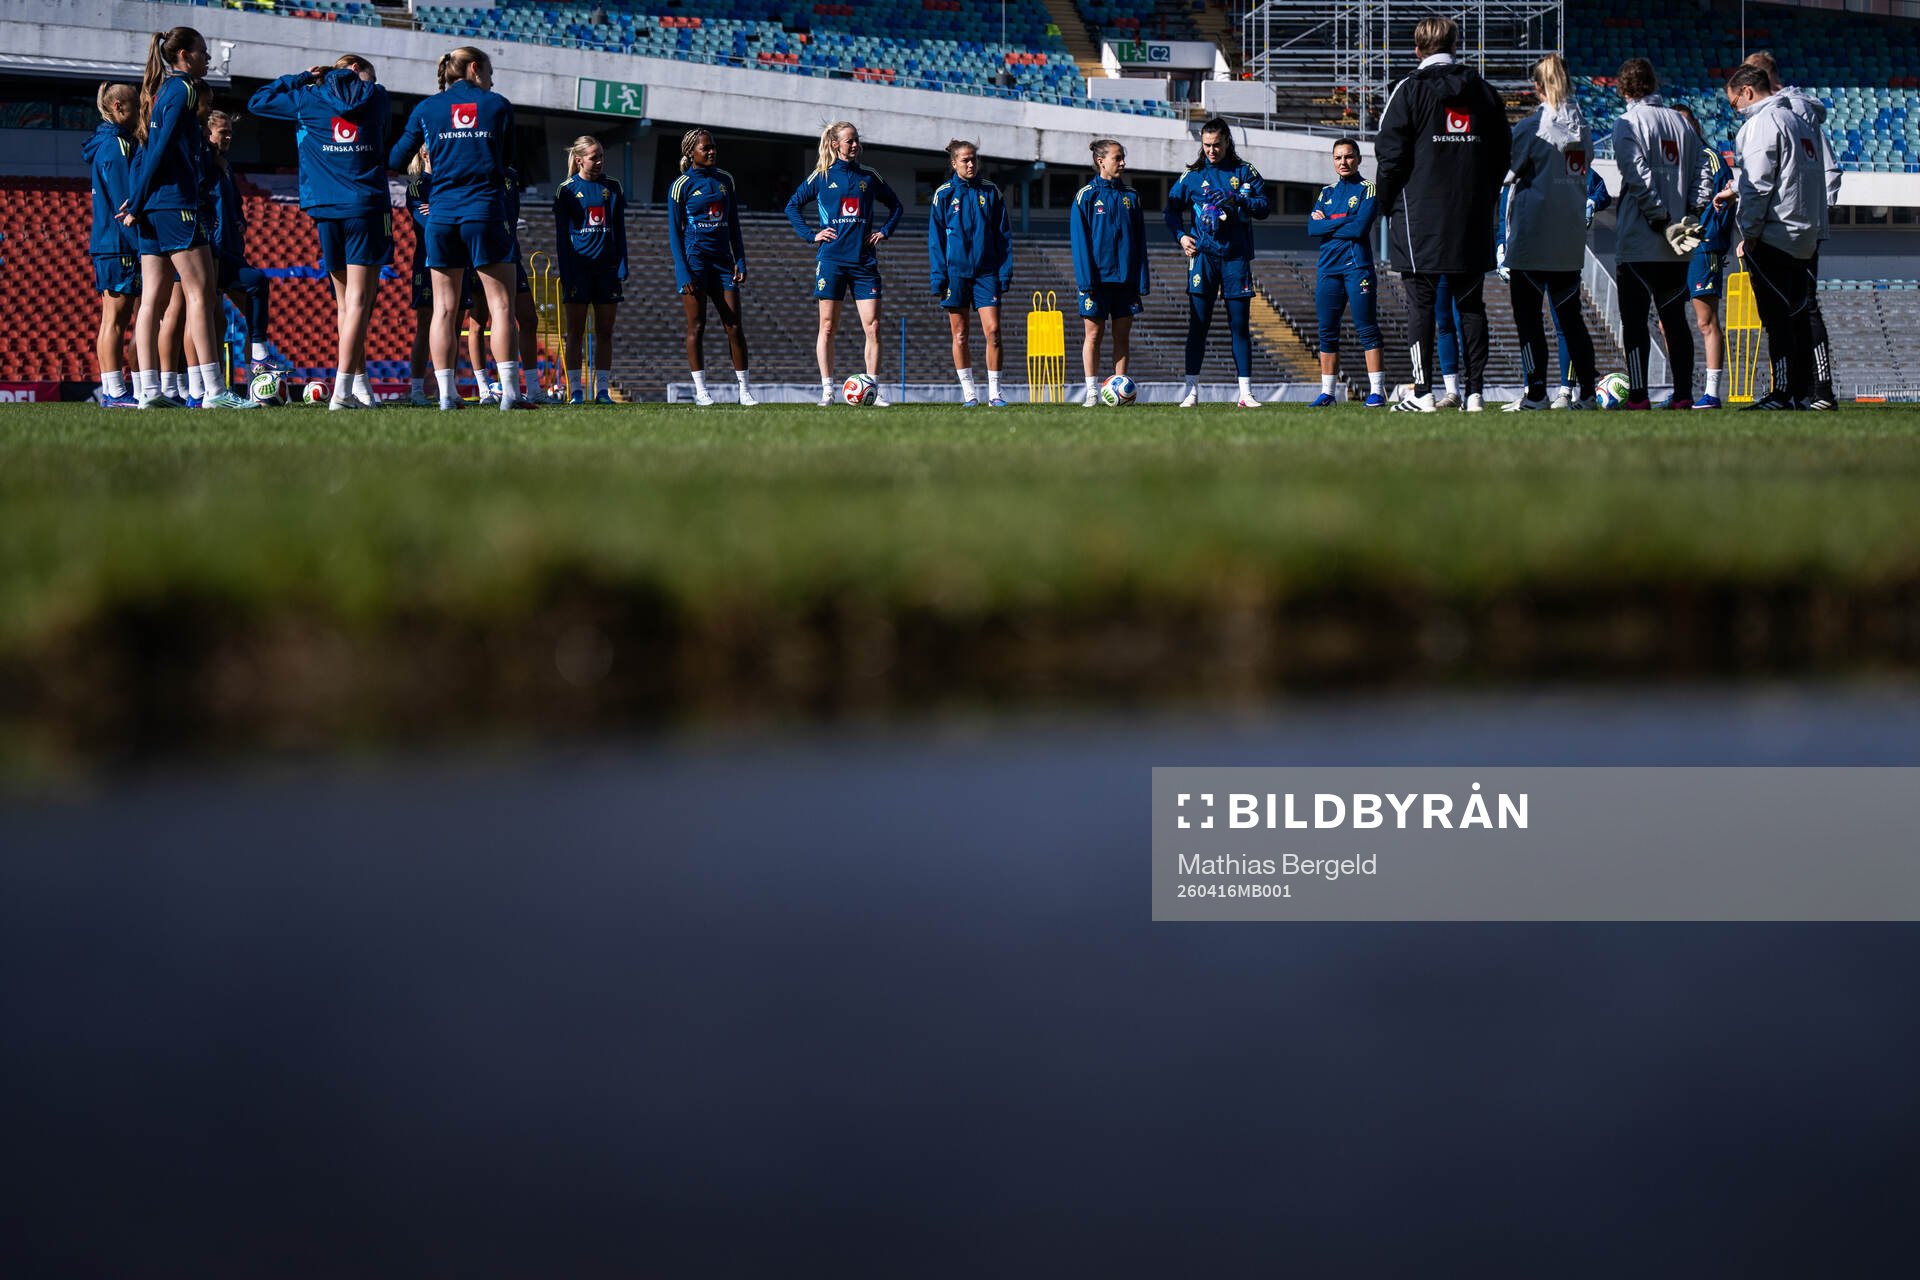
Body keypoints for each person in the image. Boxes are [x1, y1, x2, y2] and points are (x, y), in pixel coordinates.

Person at [1373, 16, 1510, 413]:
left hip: (1419, 218)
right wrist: (1483, 193)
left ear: (1417, 50)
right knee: (1471, 306)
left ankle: (1423, 392)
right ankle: (1475, 394)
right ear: (1455, 45)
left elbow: (1390, 157)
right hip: (1471, 215)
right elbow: (1503, 153)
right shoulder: (1483, 92)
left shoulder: (1408, 91)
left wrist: (1384, 203)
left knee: (1421, 306)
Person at [388, 46, 533, 410]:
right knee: (500, 307)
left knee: (443, 311)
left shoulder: (426, 108)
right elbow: (509, 158)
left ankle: (447, 396)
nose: (492, 78)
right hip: (484, 211)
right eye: (489, 70)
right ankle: (510, 395)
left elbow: (394, 159)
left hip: (441, 216)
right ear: (474, 68)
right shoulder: (497, 104)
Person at [119, 27, 255, 409]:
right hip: (174, 205)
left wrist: (137, 200)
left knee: (152, 301)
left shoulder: (160, 90)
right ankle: (214, 392)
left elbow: (150, 149)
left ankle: (149, 391)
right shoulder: (185, 90)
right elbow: (160, 149)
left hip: (154, 206)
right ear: (182, 55)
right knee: (201, 294)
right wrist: (139, 200)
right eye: (202, 51)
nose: (207, 58)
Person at [248, 54, 389, 409]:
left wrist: (300, 78)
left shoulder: (307, 98)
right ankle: (342, 392)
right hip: (365, 206)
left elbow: (257, 100)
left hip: (325, 207)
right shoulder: (378, 96)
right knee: (359, 303)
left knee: (346, 304)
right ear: (357, 72)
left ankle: (360, 387)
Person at [1720, 64, 1828, 410]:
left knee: (1776, 318)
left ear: (1747, 92)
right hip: (1804, 232)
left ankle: (1781, 392)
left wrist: (1749, 233)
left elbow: (1758, 184)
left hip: (1775, 234)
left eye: (1734, 103)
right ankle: (1802, 391)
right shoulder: (1801, 123)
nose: (1735, 110)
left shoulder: (1762, 124)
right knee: (1799, 314)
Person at [1499, 54, 1600, 411]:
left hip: (1532, 234)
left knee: (1529, 320)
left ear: (1537, 87)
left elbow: (1506, 174)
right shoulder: (1584, 126)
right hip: (1568, 237)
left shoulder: (1531, 128)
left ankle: (1537, 393)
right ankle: (1587, 393)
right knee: (1571, 320)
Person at [1609, 57, 1707, 409]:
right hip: (1676, 244)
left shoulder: (1627, 123)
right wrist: (1691, 214)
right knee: (1675, 321)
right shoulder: (1681, 123)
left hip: (1640, 240)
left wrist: (1660, 218)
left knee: (1634, 324)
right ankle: (1683, 395)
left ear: (1623, 87)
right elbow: (1702, 171)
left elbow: (1636, 176)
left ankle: (1638, 396)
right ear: (1653, 83)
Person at [784, 121, 902, 406]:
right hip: (832, 260)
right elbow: (792, 206)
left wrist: (884, 231)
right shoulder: (821, 176)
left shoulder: (869, 176)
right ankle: (827, 390)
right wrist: (812, 236)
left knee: (873, 327)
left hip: (864, 263)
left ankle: (872, 390)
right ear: (835, 144)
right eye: (849, 141)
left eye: (856, 140)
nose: (854, 145)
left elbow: (896, 206)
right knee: (827, 326)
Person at [1166, 117, 1269, 408]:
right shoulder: (1192, 175)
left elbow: (1264, 207)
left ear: (1227, 142)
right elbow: (1171, 210)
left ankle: (1246, 394)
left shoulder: (1244, 171)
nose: (1211, 150)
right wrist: (1181, 236)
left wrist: (1236, 198)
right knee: (1198, 326)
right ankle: (1191, 392)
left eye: (1217, 145)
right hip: (1203, 258)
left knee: (1239, 326)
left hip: (1235, 258)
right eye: (1207, 145)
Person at [668, 128, 755, 407]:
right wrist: (683, 272)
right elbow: (673, 232)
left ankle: (744, 390)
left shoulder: (725, 180)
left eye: (713, 147)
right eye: (705, 148)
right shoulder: (680, 185)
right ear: (691, 152)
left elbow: (735, 226)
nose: (711, 151)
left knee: (734, 325)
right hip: (695, 264)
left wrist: (739, 259)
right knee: (697, 326)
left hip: (723, 264)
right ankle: (701, 391)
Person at [928, 139, 1012, 407]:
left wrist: (1004, 272)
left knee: (994, 331)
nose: (971, 163)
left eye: (974, 158)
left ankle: (995, 394)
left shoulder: (991, 192)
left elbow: (1003, 236)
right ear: (954, 163)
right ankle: (969, 394)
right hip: (956, 274)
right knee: (960, 334)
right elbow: (936, 240)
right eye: (965, 160)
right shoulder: (943, 194)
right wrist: (938, 276)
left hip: (987, 273)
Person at [1069, 138, 1148, 408]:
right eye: (1117, 158)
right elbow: (1080, 244)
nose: (1123, 162)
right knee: (1093, 335)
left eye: (1123, 157)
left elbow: (1140, 242)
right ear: (1101, 161)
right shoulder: (1086, 197)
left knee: (1122, 335)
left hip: (1125, 281)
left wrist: (1141, 278)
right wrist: (1086, 281)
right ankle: (1092, 392)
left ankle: (1120, 387)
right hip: (1096, 282)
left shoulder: (1132, 197)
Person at [1306, 137, 1385, 407]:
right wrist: (1343, 219)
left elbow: (1359, 228)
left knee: (1366, 327)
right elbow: (1311, 229)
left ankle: (1377, 391)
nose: (1343, 162)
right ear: (1333, 160)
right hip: (1328, 268)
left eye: (1349, 156)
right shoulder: (1326, 193)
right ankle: (1327, 393)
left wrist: (1328, 221)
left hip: (1357, 267)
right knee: (1327, 329)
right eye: (1338, 157)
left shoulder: (1368, 189)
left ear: (1359, 159)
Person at [203, 110, 278, 390]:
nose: (229, 136)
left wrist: (239, 222)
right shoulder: (201, 163)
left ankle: (252, 381)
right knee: (189, 320)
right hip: (209, 252)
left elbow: (232, 204)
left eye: (230, 131)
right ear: (207, 133)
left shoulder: (225, 165)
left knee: (224, 319)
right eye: (223, 132)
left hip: (230, 250)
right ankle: (173, 385)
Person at [552, 135, 626, 404]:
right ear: (579, 159)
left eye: (601, 156)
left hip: (607, 271)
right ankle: (576, 392)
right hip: (578, 270)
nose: (599, 161)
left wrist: (622, 265)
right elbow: (561, 237)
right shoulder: (566, 190)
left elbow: (619, 230)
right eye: (594, 157)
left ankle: (603, 391)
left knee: (605, 332)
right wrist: (567, 270)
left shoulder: (613, 187)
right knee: (576, 333)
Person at [1673, 104, 1732, 409]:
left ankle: (1711, 393)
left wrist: (1713, 239)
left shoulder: (1710, 158)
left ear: (1695, 124)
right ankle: (1679, 388)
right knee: (1666, 322)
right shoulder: (1674, 160)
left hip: (1702, 242)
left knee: (1705, 320)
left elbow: (1728, 202)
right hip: (1676, 242)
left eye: (1686, 123)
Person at [87, 81, 141, 407]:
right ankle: (113, 392)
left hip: (111, 243)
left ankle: (114, 390)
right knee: (115, 320)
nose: (140, 112)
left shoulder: (111, 143)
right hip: (117, 244)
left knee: (114, 320)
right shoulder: (116, 148)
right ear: (120, 107)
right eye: (136, 105)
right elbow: (125, 206)